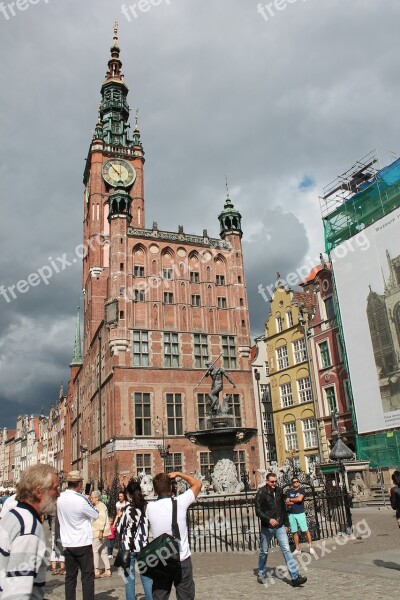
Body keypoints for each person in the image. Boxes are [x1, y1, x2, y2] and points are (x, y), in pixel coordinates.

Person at [0, 464, 59, 599]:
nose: (59, 494)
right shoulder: (28, 527)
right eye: (55, 489)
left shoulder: (13, 514)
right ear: (39, 492)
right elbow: (17, 593)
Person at [146, 471, 201, 600]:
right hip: (182, 560)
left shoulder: (149, 508)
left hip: (162, 560)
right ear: (171, 487)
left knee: (160, 596)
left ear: (154, 490)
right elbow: (197, 484)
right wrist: (179, 474)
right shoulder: (180, 502)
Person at [255, 472, 307, 587]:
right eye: (272, 482)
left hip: (279, 526)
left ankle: (295, 577)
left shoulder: (279, 491)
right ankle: (261, 572)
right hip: (267, 527)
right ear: (267, 481)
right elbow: (258, 511)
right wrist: (269, 520)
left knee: (287, 550)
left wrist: (286, 523)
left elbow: (283, 508)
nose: (274, 483)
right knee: (264, 551)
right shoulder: (261, 492)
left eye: (276, 481)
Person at [57, 470, 99, 600]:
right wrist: (89, 501)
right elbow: (95, 514)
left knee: (70, 578)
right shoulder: (81, 500)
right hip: (82, 543)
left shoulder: (60, 498)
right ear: (79, 484)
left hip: (67, 543)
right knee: (87, 577)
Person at [117, 478, 153, 600]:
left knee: (129, 580)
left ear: (129, 494)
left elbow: (119, 529)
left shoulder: (127, 509)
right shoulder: (146, 507)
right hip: (143, 547)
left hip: (129, 549)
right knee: (147, 578)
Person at [285, 476, 316, 556]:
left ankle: (310, 547)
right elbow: (286, 502)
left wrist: (291, 500)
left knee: (305, 530)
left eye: (297, 481)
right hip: (291, 513)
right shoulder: (289, 492)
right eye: (294, 482)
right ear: (292, 483)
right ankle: (298, 548)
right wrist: (293, 500)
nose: (296, 483)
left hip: (300, 513)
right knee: (294, 531)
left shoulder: (301, 490)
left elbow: (299, 499)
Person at [90, 489, 112, 578]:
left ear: (96, 498)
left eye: (92, 498)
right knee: (103, 551)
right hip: (101, 532)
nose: (91, 500)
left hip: (99, 532)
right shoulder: (98, 506)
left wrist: (100, 531)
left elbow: (102, 519)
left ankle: (96, 570)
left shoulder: (101, 506)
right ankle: (107, 569)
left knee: (94, 551)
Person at [50, 509, 66, 575]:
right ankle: (62, 569)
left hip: (54, 528)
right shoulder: (63, 505)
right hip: (62, 529)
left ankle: (54, 568)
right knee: (62, 548)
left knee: (54, 548)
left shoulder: (53, 505)